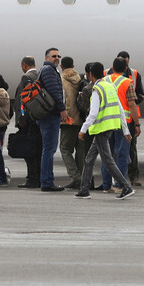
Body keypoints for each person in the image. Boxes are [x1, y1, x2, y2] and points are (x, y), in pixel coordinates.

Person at [74, 62, 135, 200]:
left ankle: (126, 187)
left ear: (90, 75)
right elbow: (120, 109)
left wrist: (83, 130)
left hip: (101, 129)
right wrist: (126, 130)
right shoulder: (110, 86)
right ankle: (84, 189)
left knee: (108, 161)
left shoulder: (97, 89)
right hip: (110, 127)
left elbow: (93, 113)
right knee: (89, 159)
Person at [101, 57, 140, 192]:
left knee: (107, 154)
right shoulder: (127, 82)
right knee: (122, 154)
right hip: (122, 124)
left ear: (112, 67)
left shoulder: (104, 80)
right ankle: (119, 184)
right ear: (125, 69)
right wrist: (137, 124)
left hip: (106, 122)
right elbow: (132, 104)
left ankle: (106, 185)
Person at [36, 48, 69, 191]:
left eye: (58, 56)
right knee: (49, 150)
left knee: (48, 149)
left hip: (47, 116)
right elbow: (54, 90)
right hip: (50, 116)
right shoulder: (49, 70)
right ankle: (47, 182)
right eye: (54, 56)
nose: (57, 58)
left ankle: (46, 180)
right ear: (47, 57)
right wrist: (62, 110)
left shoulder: (48, 69)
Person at [113, 52, 144, 185]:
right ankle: (118, 180)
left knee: (130, 149)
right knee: (116, 150)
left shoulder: (134, 74)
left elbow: (139, 95)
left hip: (128, 118)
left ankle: (133, 176)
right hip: (116, 118)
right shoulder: (108, 74)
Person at [14, 56, 43, 188]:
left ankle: (32, 178)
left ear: (24, 65)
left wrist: (21, 119)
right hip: (38, 117)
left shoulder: (26, 77)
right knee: (38, 149)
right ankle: (39, 176)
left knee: (29, 150)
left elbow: (23, 100)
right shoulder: (39, 74)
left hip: (28, 120)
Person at [58, 56, 85, 189]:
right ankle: (80, 177)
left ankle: (76, 177)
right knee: (80, 149)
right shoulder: (80, 79)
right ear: (73, 66)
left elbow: (62, 99)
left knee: (65, 148)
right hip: (81, 118)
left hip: (68, 118)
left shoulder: (61, 79)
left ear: (62, 66)